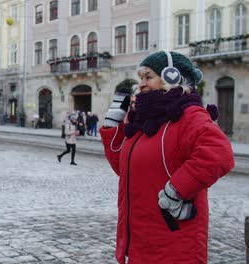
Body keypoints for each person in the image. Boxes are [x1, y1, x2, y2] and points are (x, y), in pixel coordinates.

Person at [99, 50, 234, 263]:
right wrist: (112, 129)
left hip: (172, 240)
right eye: (140, 78)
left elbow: (219, 154)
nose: (141, 84)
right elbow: (126, 170)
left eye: (149, 77)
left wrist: (176, 191)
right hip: (140, 237)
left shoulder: (189, 114)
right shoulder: (144, 119)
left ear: (172, 77)